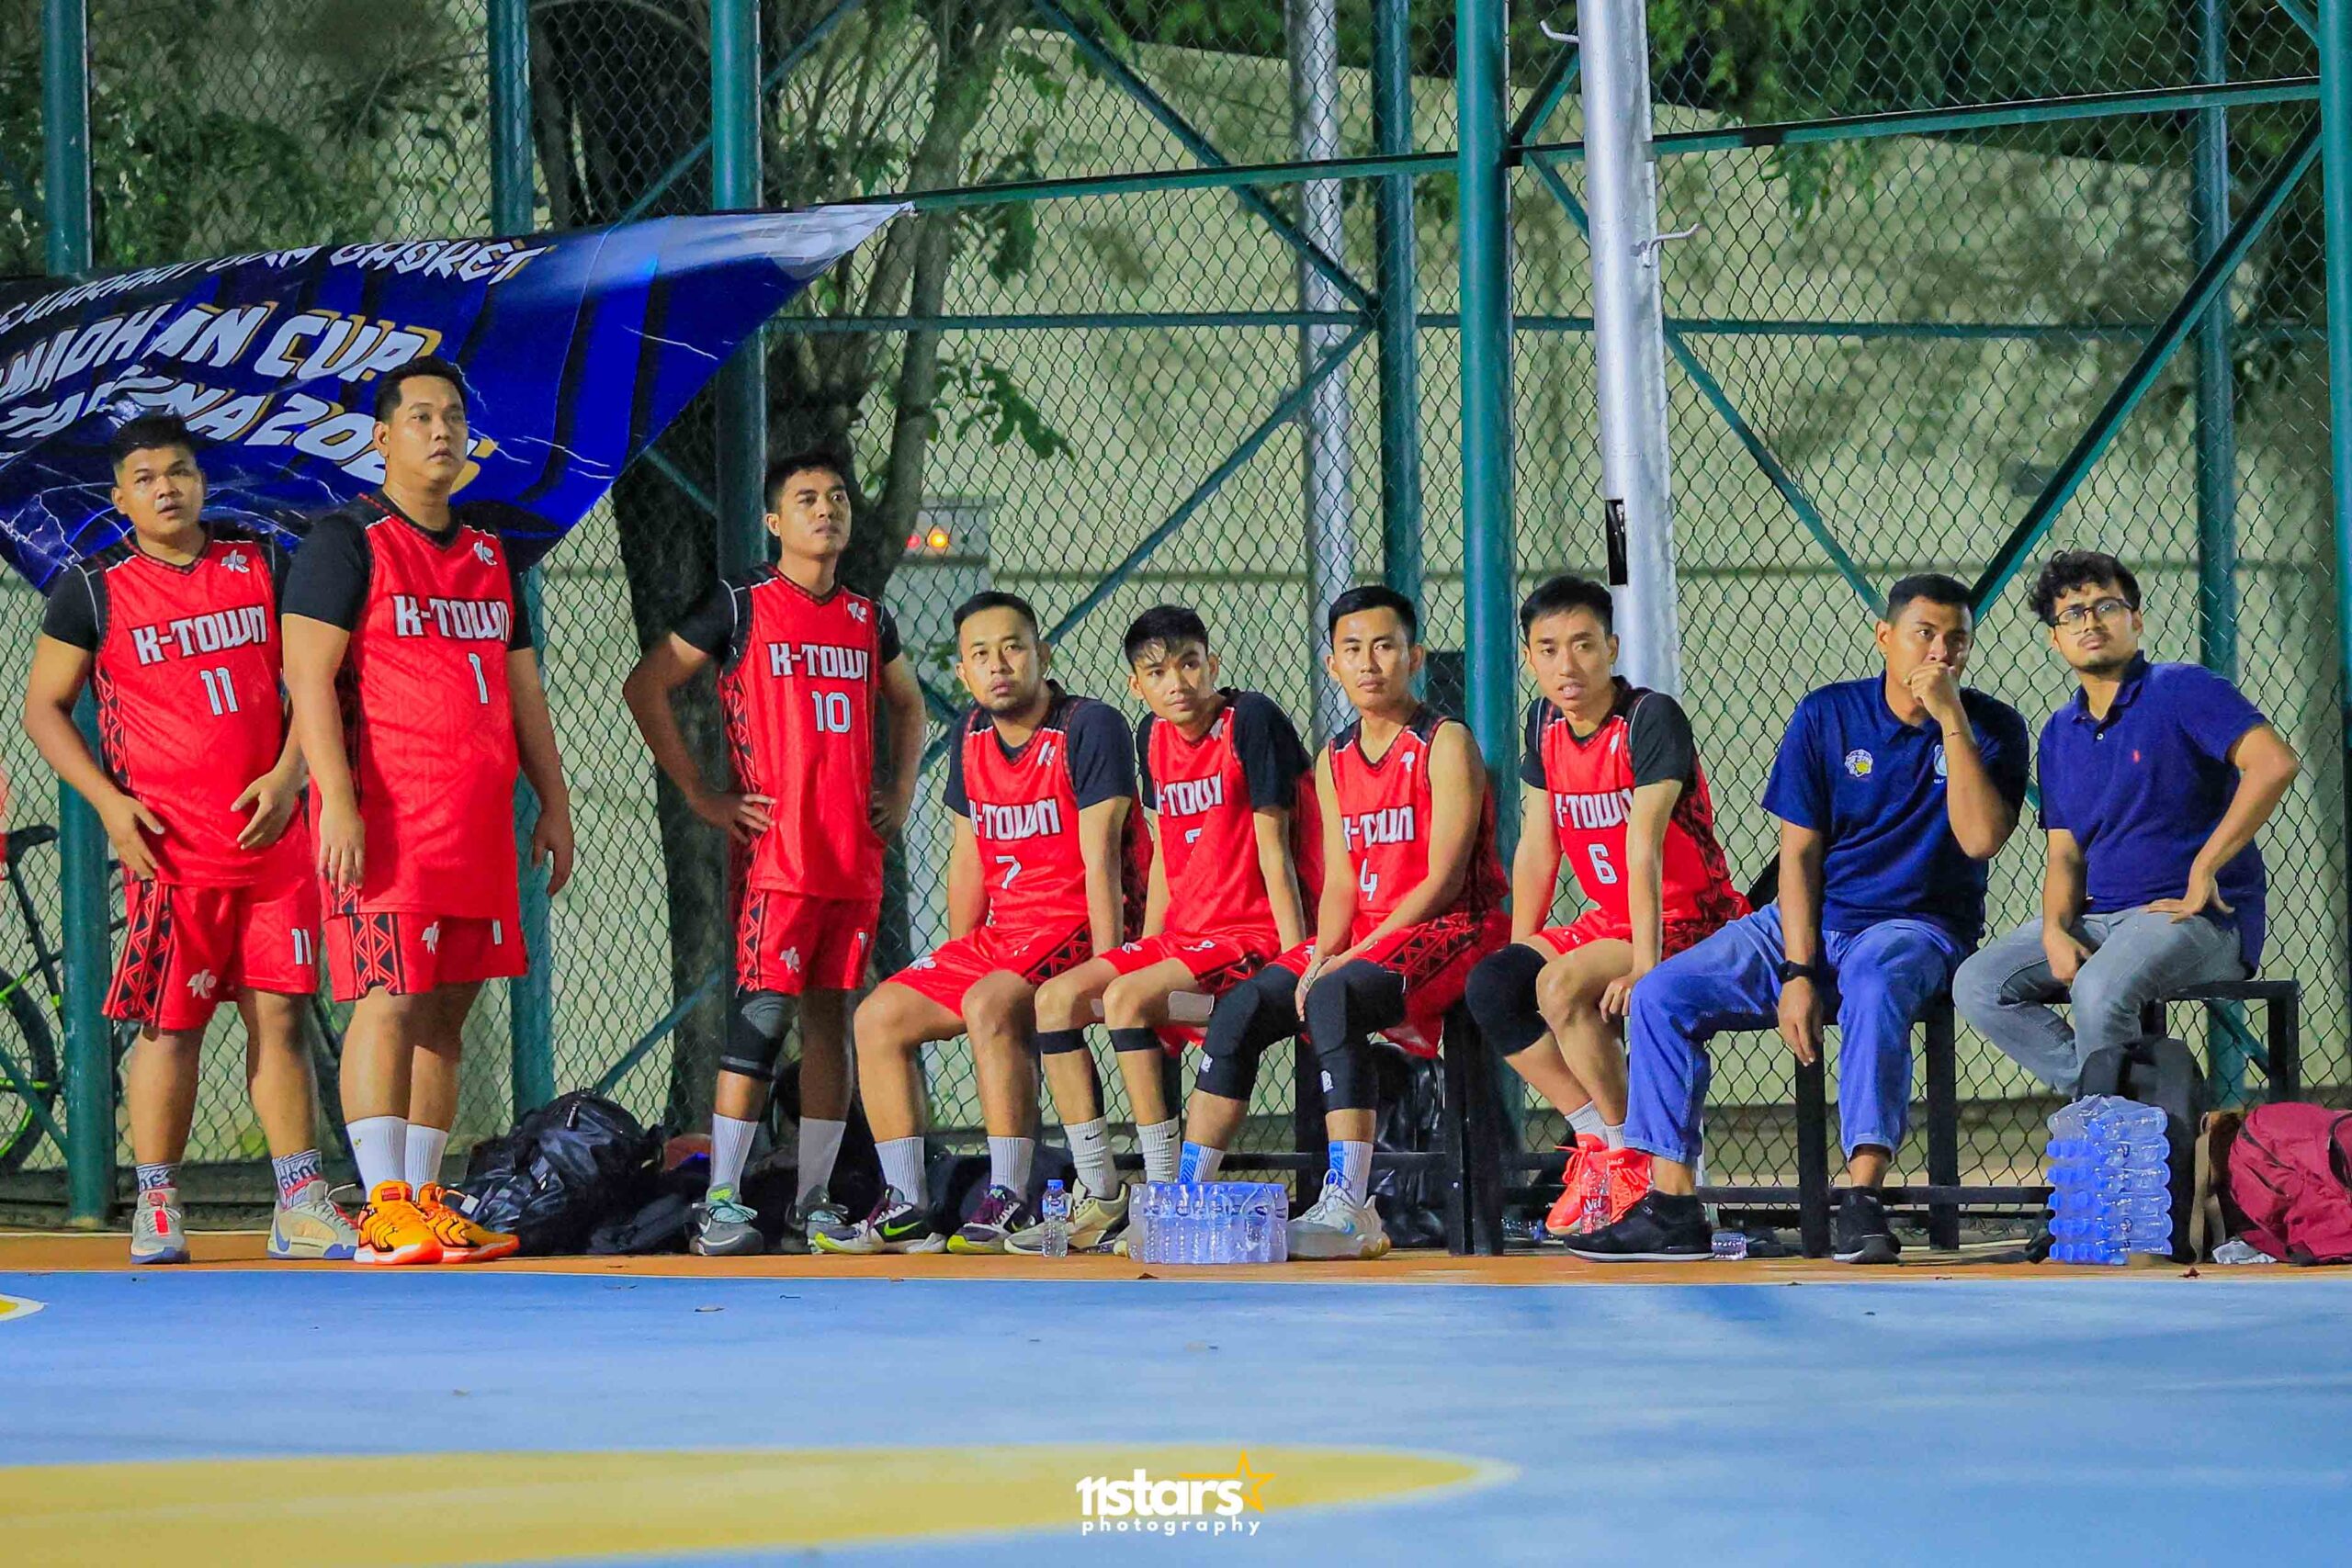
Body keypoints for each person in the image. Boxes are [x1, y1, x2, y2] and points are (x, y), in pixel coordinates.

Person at [1568, 575, 2028, 1265]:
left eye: (1956, 640)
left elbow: (1981, 838)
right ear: (1885, 638)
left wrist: (1950, 720)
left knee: (1875, 979)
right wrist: (1798, 970)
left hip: (1915, 925)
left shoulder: (1993, 726)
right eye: (1924, 634)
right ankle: (1671, 1205)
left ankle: (1862, 1197)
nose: (1940, 652)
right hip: (1805, 918)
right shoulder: (1828, 714)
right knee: (1662, 992)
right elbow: (1799, 854)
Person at [24, 415, 356, 1265]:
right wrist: (108, 803)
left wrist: (290, 774)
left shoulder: (262, 561)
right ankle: (157, 1200)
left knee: (280, 1015)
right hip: (170, 851)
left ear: (203, 481)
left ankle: (300, 1201)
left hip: (275, 841)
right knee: (171, 1026)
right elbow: (43, 708)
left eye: (179, 471)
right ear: (120, 497)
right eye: (145, 477)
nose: (166, 488)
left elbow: (315, 677)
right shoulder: (94, 587)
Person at [281, 355, 575, 1267]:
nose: (441, 430)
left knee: (447, 1015)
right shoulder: (346, 541)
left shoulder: (489, 552)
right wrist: (335, 800)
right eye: (420, 416)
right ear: (382, 437)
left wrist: (555, 799)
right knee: (389, 1000)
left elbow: (524, 689)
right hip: (388, 818)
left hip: (477, 820)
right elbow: (308, 678)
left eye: (453, 415)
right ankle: (380, 1208)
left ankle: (422, 1200)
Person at [621, 451, 924, 1255]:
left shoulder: (868, 618)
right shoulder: (741, 603)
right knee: (761, 1020)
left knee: (832, 1023)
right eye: (806, 498)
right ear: (774, 520)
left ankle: (812, 1199)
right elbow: (646, 684)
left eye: (837, 497)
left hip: (851, 859)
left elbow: (908, 704)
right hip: (777, 860)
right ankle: (721, 1199)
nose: (826, 509)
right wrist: (701, 793)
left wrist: (900, 787)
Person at [1180, 586, 1509, 1260]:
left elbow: (1445, 880)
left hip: (1455, 928)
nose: (1368, 663)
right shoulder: (1333, 759)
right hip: (1368, 936)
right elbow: (1339, 882)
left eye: (1384, 647)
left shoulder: (1444, 743)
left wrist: (1352, 957)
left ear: (1414, 657)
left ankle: (1350, 1205)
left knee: (1334, 994)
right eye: (1352, 649)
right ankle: (1186, 1194)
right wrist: (1320, 953)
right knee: (1243, 1007)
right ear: (1332, 664)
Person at [815, 592, 1145, 1256]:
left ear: (1042, 655)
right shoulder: (969, 734)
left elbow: (1104, 859)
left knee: (989, 1001)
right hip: (1005, 935)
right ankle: (906, 1203)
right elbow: (967, 858)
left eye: (1013, 647)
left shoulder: (1089, 725)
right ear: (963, 671)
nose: (999, 664)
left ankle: (1009, 1196)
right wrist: (959, 952)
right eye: (981, 654)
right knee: (878, 1016)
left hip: (1077, 923)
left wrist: (1109, 966)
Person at [1009, 605, 1317, 1253]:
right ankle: (1101, 1193)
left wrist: (1294, 963)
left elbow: (1277, 851)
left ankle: (1164, 1195)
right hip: (1183, 937)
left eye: (1189, 664)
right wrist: (1141, 949)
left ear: (1212, 664)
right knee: (1054, 1000)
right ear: (1136, 685)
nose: (1176, 681)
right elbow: (1167, 859)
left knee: (1126, 999)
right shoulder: (1150, 735)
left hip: (1247, 934)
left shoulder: (1249, 720)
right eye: (1157, 672)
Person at [1463, 575, 1747, 1240]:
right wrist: (1522, 944)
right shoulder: (1544, 724)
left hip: (1687, 918)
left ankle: (1631, 1160)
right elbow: (1539, 845)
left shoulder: (1649, 719)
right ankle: (1598, 1138)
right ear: (1529, 658)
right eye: (1549, 649)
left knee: (1560, 987)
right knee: (1494, 985)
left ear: (1611, 648)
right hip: (1608, 918)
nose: (1567, 664)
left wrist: (1646, 966)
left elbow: (1643, 847)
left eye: (1584, 645)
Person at [1953, 550, 2299, 1091]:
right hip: (2101, 916)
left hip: (2195, 918)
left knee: (2098, 988)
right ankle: (2114, 1103)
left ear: (2135, 620)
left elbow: (2275, 763)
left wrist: (2206, 867)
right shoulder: (2060, 732)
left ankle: (2109, 1122)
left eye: (2106, 607)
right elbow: (2065, 854)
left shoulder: (2182, 689)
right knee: (1978, 983)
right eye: (2072, 614)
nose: (2090, 622)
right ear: (2055, 638)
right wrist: (2054, 930)